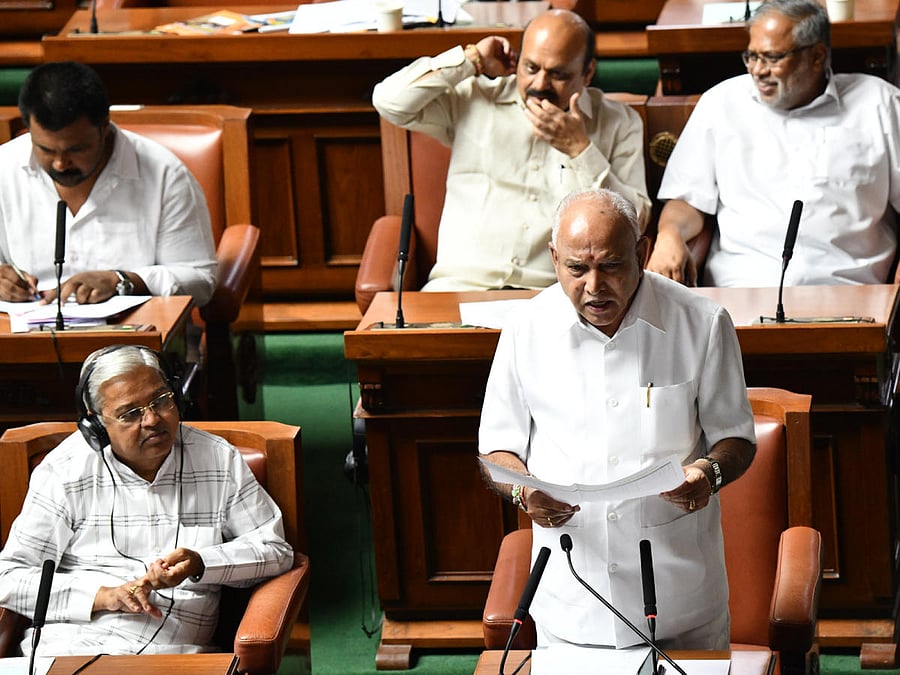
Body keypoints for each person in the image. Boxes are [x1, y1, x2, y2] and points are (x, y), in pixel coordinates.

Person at [479, 188, 756, 649]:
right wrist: (523, 490)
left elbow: (737, 440)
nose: (593, 285)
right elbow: (496, 450)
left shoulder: (702, 323)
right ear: (553, 258)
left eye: (610, 265)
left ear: (643, 253)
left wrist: (709, 474)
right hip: (570, 607)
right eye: (576, 268)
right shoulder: (524, 330)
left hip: (680, 603)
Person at [0, 345, 293, 656]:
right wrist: (103, 596)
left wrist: (202, 562)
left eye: (161, 400)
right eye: (131, 413)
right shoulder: (64, 470)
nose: (153, 419)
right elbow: (8, 577)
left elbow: (276, 551)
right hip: (68, 649)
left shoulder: (217, 459)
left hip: (170, 654)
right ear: (96, 424)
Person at [372, 9, 651, 292]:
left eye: (558, 74)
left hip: (554, 297)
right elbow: (389, 101)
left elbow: (635, 222)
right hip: (459, 288)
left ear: (587, 72)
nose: (540, 84)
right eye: (531, 68)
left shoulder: (620, 123)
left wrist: (581, 150)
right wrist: (471, 60)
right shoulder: (475, 97)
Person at [649, 0, 900, 287]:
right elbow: (686, 201)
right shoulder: (721, 104)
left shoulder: (880, 104)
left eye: (772, 58)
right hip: (740, 293)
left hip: (852, 294)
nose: (757, 70)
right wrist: (669, 235)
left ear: (817, 56)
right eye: (751, 56)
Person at [0, 61, 217, 305]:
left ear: (104, 127)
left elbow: (201, 281)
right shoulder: (4, 168)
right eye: (46, 150)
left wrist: (123, 281)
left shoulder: (165, 174)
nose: (61, 164)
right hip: (26, 334)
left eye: (76, 149)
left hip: (135, 336)